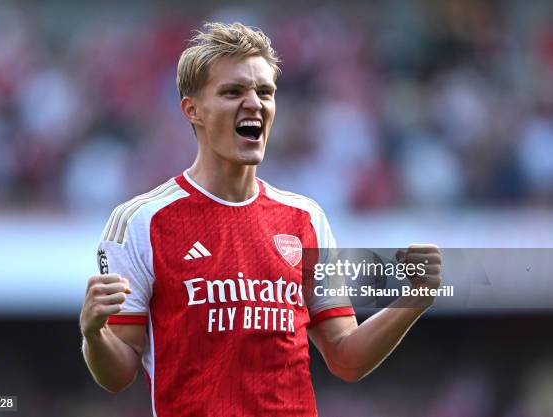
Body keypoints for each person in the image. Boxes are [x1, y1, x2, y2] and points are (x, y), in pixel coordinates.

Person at [79, 22, 442, 417]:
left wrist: (414, 299)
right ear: (192, 109)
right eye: (233, 91)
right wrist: (93, 335)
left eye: (264, 92)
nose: (254, 103)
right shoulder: (140, 221)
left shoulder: (306, 218)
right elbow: (118, 374)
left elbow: (344, 356)